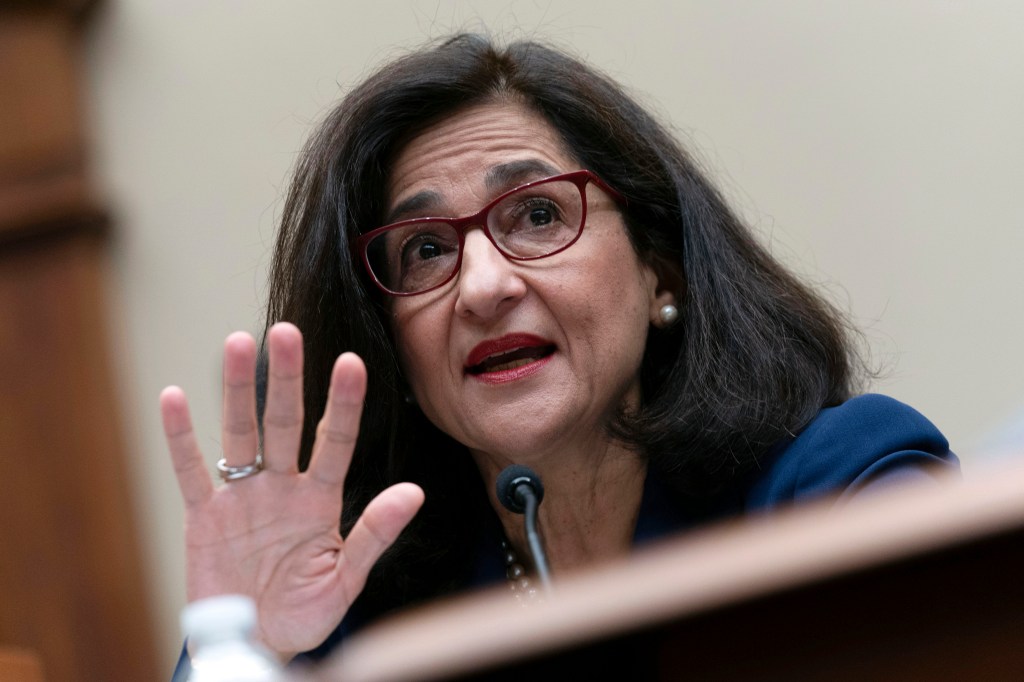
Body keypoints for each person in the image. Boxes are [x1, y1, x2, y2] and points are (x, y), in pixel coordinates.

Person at [164, 34, 958, 673]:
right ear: (390, 348)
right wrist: (248, 649)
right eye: (425, 251)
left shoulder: (840, 487)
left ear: (662, 271)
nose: (482, 286)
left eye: (539, 214)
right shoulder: (349, 603)